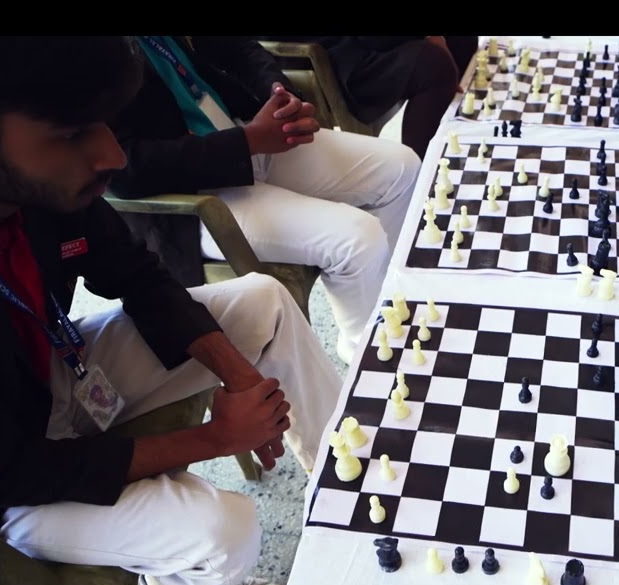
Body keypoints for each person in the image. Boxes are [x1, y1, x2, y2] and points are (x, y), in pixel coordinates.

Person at [0, 36, 344, 585]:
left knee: (263, 302)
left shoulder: (23, 163)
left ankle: (344, 482)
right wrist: (219, 438)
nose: (113, 155)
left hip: (48, 364)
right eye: (71, 134)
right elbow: (3, 470)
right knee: (223, 532)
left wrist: (241, 378)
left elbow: (133, 272)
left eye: (105, 124)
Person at [108, 36, 421, 363]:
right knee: (359, 238)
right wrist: (246, 142)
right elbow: (126, 169)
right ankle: (367, 353)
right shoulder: (87, 52)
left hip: (238, 132)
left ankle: (387, 303)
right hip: (189, 194)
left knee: (402, 167)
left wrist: (279, 93)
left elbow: (239, 47)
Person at [263, 36, 478, 159]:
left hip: (348, 44)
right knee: (433, 65)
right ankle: (423, 179)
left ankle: (461, 135)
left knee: (460, 41)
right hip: (324, 55)